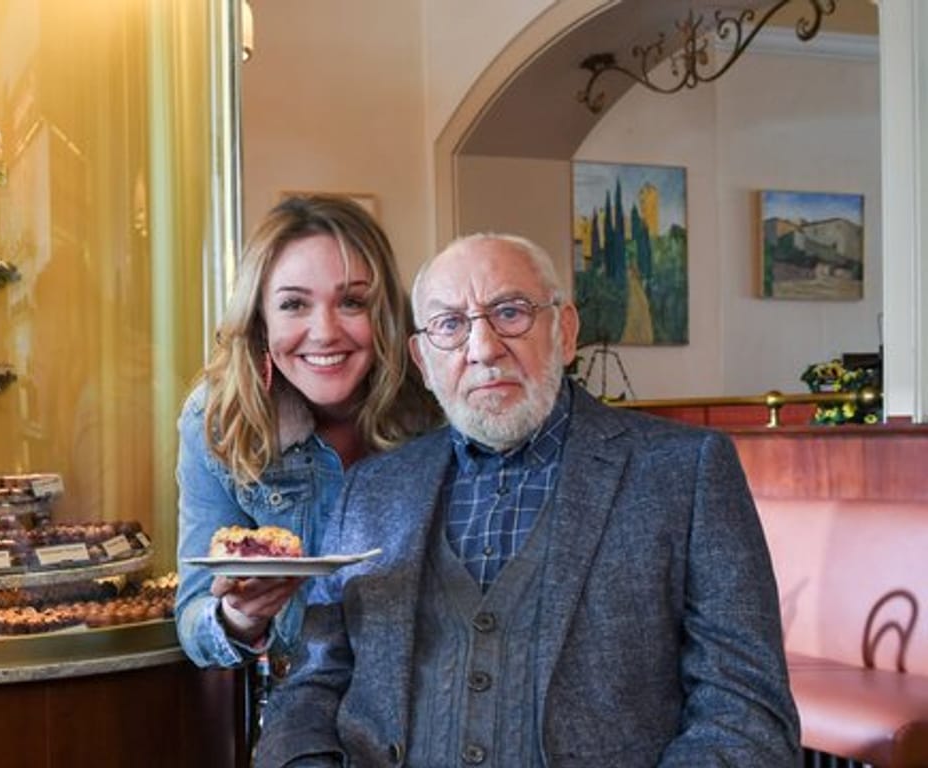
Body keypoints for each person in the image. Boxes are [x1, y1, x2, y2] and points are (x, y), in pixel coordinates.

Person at [255, 233, 800, 767]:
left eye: (510, 313)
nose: (484, 348)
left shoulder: (686, 471)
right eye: (450, 325)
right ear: (423, 360)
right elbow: (313, 685)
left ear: (564, 331)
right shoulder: (370, 490)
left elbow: (746, 709)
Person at [174, 195, 440, 669]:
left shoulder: (437, 406)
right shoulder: (218, 419)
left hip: (433, 692)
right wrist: (239, 616)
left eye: (352, 301)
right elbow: (194, 618)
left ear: (386, 314)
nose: (324, 332)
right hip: (300, 698)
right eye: (294, 304)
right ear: (259, 320)